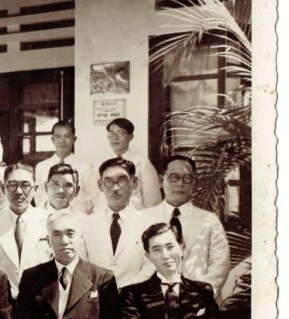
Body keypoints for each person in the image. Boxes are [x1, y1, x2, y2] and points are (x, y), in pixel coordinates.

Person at [150, 155, 230, 295]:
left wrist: (200, 296)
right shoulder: (144, 218)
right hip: (152, 301)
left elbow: (219, 265)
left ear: (193, 182)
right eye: (174, 177)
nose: (180, 184)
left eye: (187, 178)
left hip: (199, 304)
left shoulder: (209, 220)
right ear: (161, 180)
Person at [83, 157, 158, 289]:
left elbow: (150, 266)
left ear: (134, 183)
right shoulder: (86, 223)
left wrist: (124, 290)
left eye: (122, 180)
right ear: (100, 185)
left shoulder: (149, 224)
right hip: (96, 299)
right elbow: (82, 264)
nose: (115, 187)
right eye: (109, 181)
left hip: (134, 300)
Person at [0, 163, 50, 297]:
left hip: (42, 302)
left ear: (35, 189)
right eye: (12, 185)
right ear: (3, 188)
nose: (19, 191)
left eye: (25, 185)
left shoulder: (49, 220)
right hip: (3, 302)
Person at [35, 120, 98, 215]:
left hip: (75, 218)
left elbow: (90, 199)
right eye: (58, 136)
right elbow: (39, 197)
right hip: (47, 216)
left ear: (74, 139)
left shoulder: (86, 167)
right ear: (52, 139)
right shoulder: (41, 166)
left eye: (67, 136)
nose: (62, 140)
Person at [101, 117, 161, 209]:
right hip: (107, 219)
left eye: (120, 133)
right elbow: (96, 198)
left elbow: (152, 200)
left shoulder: (143, 163)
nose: (115, 137)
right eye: (111, 133)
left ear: (131, 137)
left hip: (136, 218)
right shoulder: (100, 163)